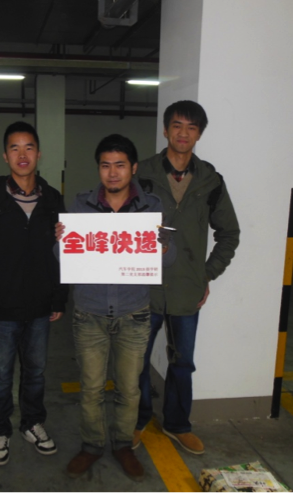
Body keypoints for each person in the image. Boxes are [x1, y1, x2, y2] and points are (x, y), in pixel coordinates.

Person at [60, 134, 176, 482]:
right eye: (106, 165)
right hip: (89, 313)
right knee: (91, 388)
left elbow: (167, 261)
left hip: (134, 313)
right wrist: (60, 241)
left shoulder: (152, 208)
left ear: (133, 168)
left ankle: (124, 445)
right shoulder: (80, 206)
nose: (112, 173)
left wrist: (163, 247)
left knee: (129, 389)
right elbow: (63, 260)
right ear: (99, 168)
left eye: (120, 165)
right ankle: (92, 445)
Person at [134, 100, 240, 455]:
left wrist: (205, 274)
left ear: (199, 134)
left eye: (191, 127)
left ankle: (178, 424)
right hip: (144, 288)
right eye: (177, 125)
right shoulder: (142, 174)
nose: (183, 133)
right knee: (135, 360)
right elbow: (116, 221)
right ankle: (137, 420)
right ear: (166, 130)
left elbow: (229, 233)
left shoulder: (210, 180)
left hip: (186, 291)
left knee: (182, 363)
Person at [0, 121, 68, 467]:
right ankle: (0, 429)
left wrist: (59, 297)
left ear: (39, 154)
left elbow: (63, 252)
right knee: (0, 376)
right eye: (15, 148)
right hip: (3, 307)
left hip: (41, 306)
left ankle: (32, 423)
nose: (22, 154)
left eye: (29, 147)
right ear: (5, 156)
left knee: (36, 372)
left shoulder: (53, 200)